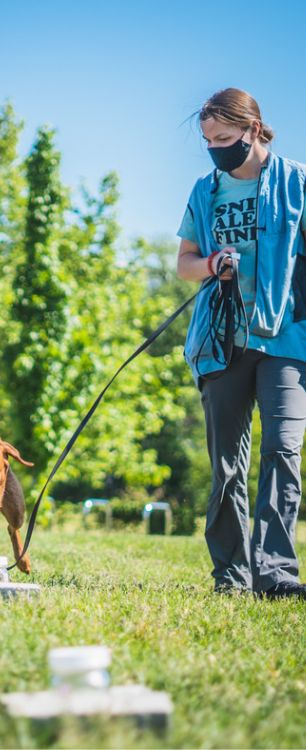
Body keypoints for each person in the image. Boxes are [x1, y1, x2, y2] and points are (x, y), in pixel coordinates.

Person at [177, 87, 306, 598]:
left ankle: (275, 574)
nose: (217, 150)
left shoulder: (298, 183)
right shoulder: (204, 192)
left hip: (288, 339)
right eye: (209, 141)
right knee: (227, 464)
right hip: (222, 340)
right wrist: (213, 263)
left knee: (284, 449)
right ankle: (231, 576)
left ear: (253, 130)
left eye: (225, 139)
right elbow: (185, 262)